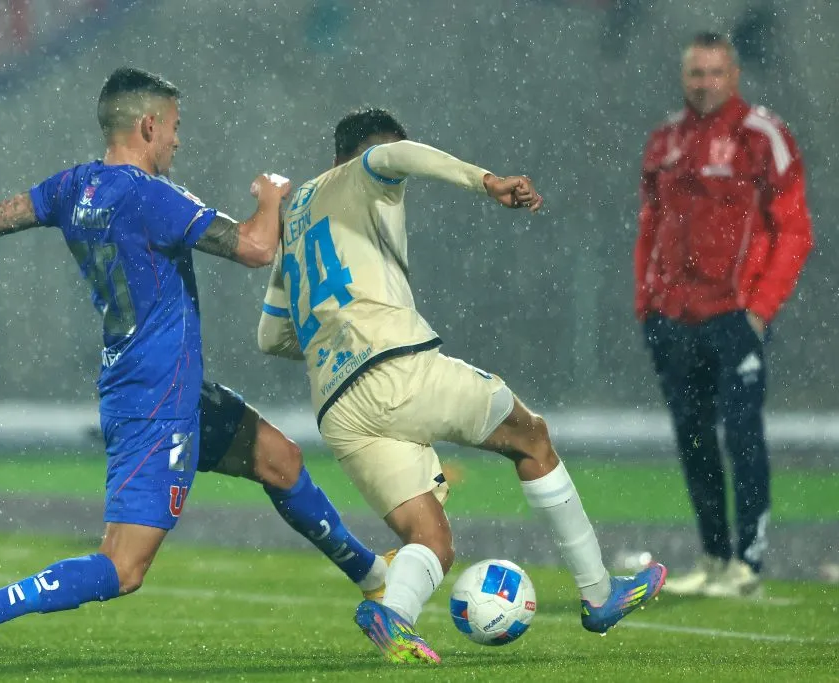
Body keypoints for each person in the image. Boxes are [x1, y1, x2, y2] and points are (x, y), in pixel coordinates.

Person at [0, 67, 389, 660]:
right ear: (148, 126)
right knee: (123, 568)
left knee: (281, 460)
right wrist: (271, 197)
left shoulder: (73, 188)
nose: (178, 140)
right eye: (174, 126)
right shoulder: (153, 196)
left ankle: (375, 577)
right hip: (156, 403)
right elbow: (255, 247)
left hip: (159, 386)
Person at [257, 108, 666, 664]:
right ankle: (598, 594)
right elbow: (397, 155)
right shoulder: (366, 170)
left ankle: (393, 616)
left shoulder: (294, 222)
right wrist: (486, 181)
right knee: (531, 437)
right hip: (396, 370)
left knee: (430, 541)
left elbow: (271, 336)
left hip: (337, 406)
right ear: (352, 158)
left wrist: (334, 334)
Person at [635, 32, 813, 598]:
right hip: (673, 317)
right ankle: (714, 557)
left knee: (742, 435)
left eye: (714, 72)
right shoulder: (666, 139)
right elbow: (650, 225)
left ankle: (748, 566)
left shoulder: (761, 135)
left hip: (734, 315)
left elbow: (794, 229)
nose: (704, 83)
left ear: (733, 75)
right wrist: (646, 303)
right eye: (696, 73)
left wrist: (760, 309)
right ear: (683, 76)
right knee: (693, 440)